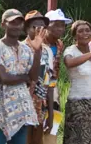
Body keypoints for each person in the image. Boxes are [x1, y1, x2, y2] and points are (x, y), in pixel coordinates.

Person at [0, 9, 41, 144]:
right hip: (0, 109)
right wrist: (25, 78)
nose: (16, 26)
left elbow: (33, 77)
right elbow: (4, 78)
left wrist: (37, 51)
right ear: (3, 24)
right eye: (12, 23)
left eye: (19, 23)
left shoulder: (26, 49)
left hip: (22, 109)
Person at [63, 20, 91, 144]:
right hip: (78, 104)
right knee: (77, 139)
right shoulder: (71, 50)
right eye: (80, 31)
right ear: (74, 35)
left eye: (87, 30)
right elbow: (69, 63)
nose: (85, 33)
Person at [22, 11, 55, 144]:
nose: (39, 30)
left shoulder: (47, 50)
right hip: (23, 105)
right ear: (26, 29)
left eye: (42, 27)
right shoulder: (21, 48)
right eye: (35, 27)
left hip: (41, 105)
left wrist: (51, 113)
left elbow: (51, 81)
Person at [44, 9, 71, 110]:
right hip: (37, 90)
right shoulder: (37, 44)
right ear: (46, 25)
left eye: (63, 25)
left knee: (54, 120)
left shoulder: (59, 44)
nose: (60, 28)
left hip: (53, 88)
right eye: (56, 25)